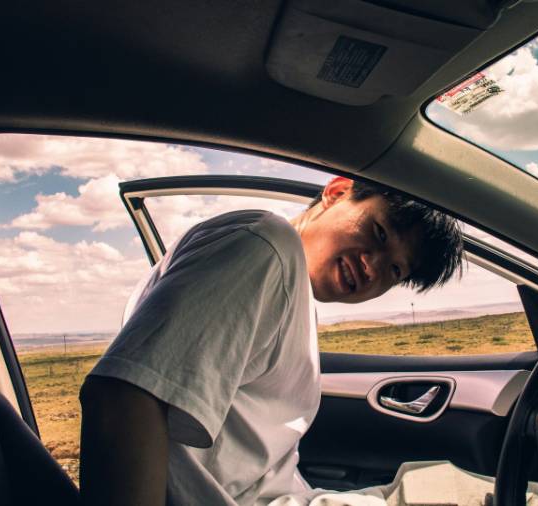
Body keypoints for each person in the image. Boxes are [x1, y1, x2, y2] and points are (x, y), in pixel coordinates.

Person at [79, 176, 466, 506]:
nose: (373, 267)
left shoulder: (285, 278)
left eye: (395, 270)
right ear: (336, 192)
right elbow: (124, 396)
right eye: (378, 233)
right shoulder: (265, 247)